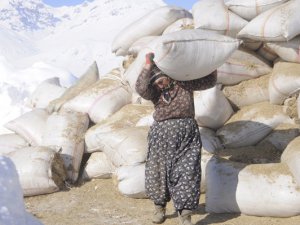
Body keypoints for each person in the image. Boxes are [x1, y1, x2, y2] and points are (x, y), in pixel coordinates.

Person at [135, 52, 217, 225]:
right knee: (158, 172)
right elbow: (141, 88)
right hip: (161, 136)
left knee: (187, 172)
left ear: (169, 76)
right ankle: (159, 208)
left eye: (162, 79)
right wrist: (148, 65)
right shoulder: (154, 93)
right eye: (156, 81)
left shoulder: (184, 83)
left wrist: (213, 62)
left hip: (187, 135)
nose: (160, 83)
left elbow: (209, 81)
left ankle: (185, 215)